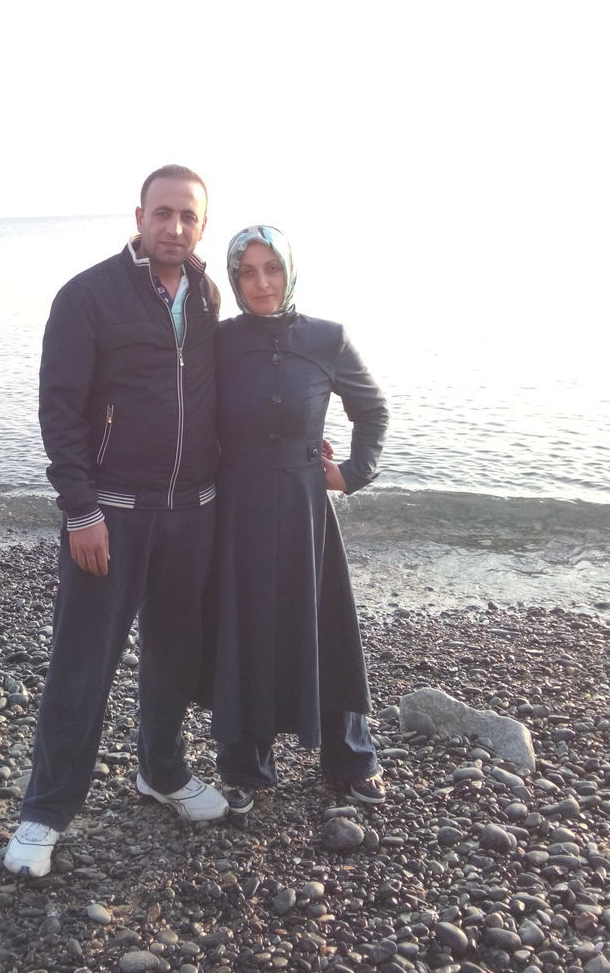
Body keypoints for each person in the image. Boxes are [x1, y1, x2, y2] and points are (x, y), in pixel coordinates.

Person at [0, 165, 228, 879]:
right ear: (139, 216)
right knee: (81, 665)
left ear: (202, 225)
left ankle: (161, 770)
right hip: (112, 517)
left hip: (190, 514)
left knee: (174, 657)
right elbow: (59, 410)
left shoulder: (208, 293)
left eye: (188, 217)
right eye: (163, 213)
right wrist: (80, 510)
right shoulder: (89, 295)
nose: (174, 228)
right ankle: (44, 811)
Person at [207, 225, 390, 811]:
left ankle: (350, 760)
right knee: (248, 626)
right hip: (238, 507)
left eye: (272, 269)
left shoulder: (327, 338)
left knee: (326, 625)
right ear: (234, 279)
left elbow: (372, 410)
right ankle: (245, 767)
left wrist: (352, 472)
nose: (261, 283)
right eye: (247, 272)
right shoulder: (219, 342)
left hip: (307, 507)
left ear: (289, 271)